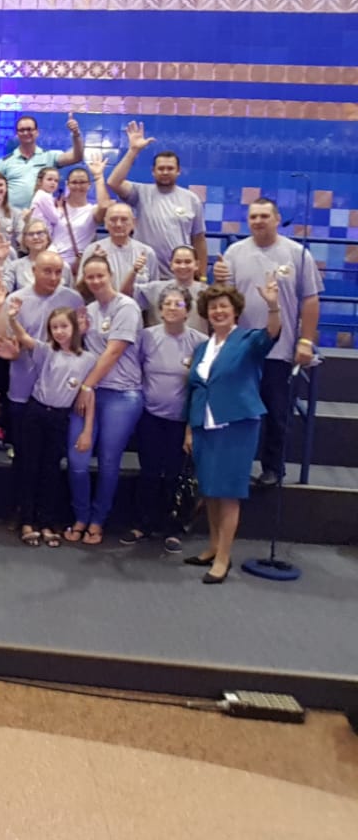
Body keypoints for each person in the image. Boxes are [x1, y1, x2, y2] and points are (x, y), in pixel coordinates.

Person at [213, 198, 322, 487]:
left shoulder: (298, 254)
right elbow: (224, 299)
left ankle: (273, 468)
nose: (258, 221)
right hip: (242, 349)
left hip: (280, 350)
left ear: (277, 218)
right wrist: (217, 280)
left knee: (276, 413)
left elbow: (310, 300)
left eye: (264, 216)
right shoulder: (235, 252)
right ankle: (237, 465)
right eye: (253, 216)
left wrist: (305, 340)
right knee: (238, 412)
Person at [184, 279, 282, 583]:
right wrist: (190, 429)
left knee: (227, 493)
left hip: (236, 425)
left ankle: (224, 558)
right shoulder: (203, 347)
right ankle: (213, 547)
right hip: (204, 425)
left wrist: (273, 305)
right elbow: (195, 389)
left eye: (223, 306)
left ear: (235, 310)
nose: (218, 311)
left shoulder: (248, 340)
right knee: (210, 491)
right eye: (213, 307)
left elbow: (272, 333)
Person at [0, 300, 95, 548]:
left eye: (64, 326)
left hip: (59, 418)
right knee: (29, 466)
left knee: (51, 469)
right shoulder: (47, 351)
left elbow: (89, 394)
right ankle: (27, 521)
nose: (59, 332)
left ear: (74, 327)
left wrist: (87, 429)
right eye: (54, 327)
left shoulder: (88, 359)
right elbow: (24, 337)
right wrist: (12, 318)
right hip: (36, 412)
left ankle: (47, 522)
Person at [3, 251, 86, 519]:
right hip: (22, 388)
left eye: (58, 272)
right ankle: (21, 512)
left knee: (51, 459)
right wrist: (12, 351)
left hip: (56, 395)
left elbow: (80, 341)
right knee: (23, 457)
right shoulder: (16, 300)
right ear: (33, 271)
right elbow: (5, 340)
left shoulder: (73, 299)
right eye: (47, 271)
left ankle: (45, 515)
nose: (53, 277)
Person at [124, 287, 208, 551]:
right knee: (149, 472)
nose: (172, 308)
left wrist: (191, 427)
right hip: (150, 416)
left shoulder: (200, 342)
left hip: (180, 421)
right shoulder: (146, 337)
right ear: (160, 310)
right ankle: (143, 524)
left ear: (188, 310)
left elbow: (202, 386)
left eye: (178, 304)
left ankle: (173, 528)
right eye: (167, 304)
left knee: (174, 475)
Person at [68, 254, 144, 545]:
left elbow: (113, 352)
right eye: (90, 277)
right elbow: (79, 351)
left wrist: (86, 386)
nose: (96, 281)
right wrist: (79, 334)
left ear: (111, 275)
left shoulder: (127, 307)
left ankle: (98, 520)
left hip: (122, 393)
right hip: (91, 391)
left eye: (100, 275)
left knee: (109, 461)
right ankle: (80, 515)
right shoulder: (87, 311)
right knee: (77, 459)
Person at [105, 121, 207, 278]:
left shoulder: (191, 199)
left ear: (178, 171)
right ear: (153, 171)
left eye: (170, 168)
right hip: (144, 274)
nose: (165, 172)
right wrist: (133, 151)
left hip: (178, 275)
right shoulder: (140, 193)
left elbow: (198, 239)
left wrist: (203, 275)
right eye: (161, 168)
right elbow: (113, 182)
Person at [0, 114, 84, 210]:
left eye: (29, 129)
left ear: (37, 132)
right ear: (17, 134)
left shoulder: (49, 156)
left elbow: (77, 157)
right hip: (12, 216)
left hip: (41, 217)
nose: (25, 133)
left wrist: (76, 134)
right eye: (21, 130)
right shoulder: (5, 162)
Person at [28, 165, 98, 269]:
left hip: (73, 262)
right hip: (50, 256)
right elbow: (54, 218)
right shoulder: (49, 199)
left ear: (89, 185)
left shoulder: (92, 209)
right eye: (74, 182)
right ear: (67, 184)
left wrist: (99, 177)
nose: (78, 186)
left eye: (56, 181)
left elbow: (104, 206)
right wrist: (60, 209)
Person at [78, 203, 158, 294]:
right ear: (105, 223)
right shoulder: (92, 250)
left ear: (133, 223)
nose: (118, 224)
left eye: (124, 219)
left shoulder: (147, 252)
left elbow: (154, 291)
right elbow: (81, 290)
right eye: (113, 220)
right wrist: (94, 264)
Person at [135, 245, 208, 330]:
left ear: (197, 265)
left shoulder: (205, 292)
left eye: (187, 262)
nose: (182, 266)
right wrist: (134, 271)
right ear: (171, 265)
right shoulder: (154, 289)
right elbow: (126, 293)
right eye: (178, 262)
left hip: (197, 338)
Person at [3, 220, 73, 291]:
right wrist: (0, 261)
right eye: (30, 234)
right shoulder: (15, 267)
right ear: (24, 240)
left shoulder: (62, 266)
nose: (35, 237)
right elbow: (2, 291)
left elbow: (70, 294)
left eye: (40, 233)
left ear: (47, 238)